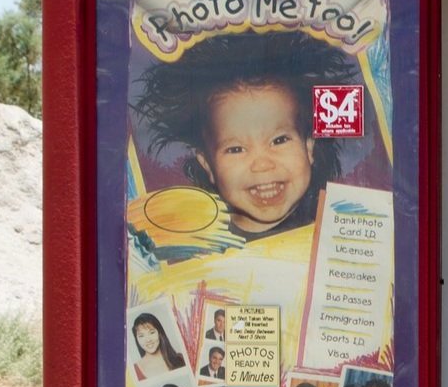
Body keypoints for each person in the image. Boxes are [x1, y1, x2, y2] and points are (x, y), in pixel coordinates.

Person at [131, 29, 357, 243]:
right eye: (236, 149)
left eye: (279, 140)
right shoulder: (200, 246)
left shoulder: (337, 228)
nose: (262, 165)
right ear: (208, 165)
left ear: (308, 147)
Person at [131, 312, 185, 381]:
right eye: (141, 336)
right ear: (137, 339)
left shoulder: (180, 359)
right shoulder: (134, 371)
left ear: (159, 333)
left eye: (152, 332)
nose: (148, 340)